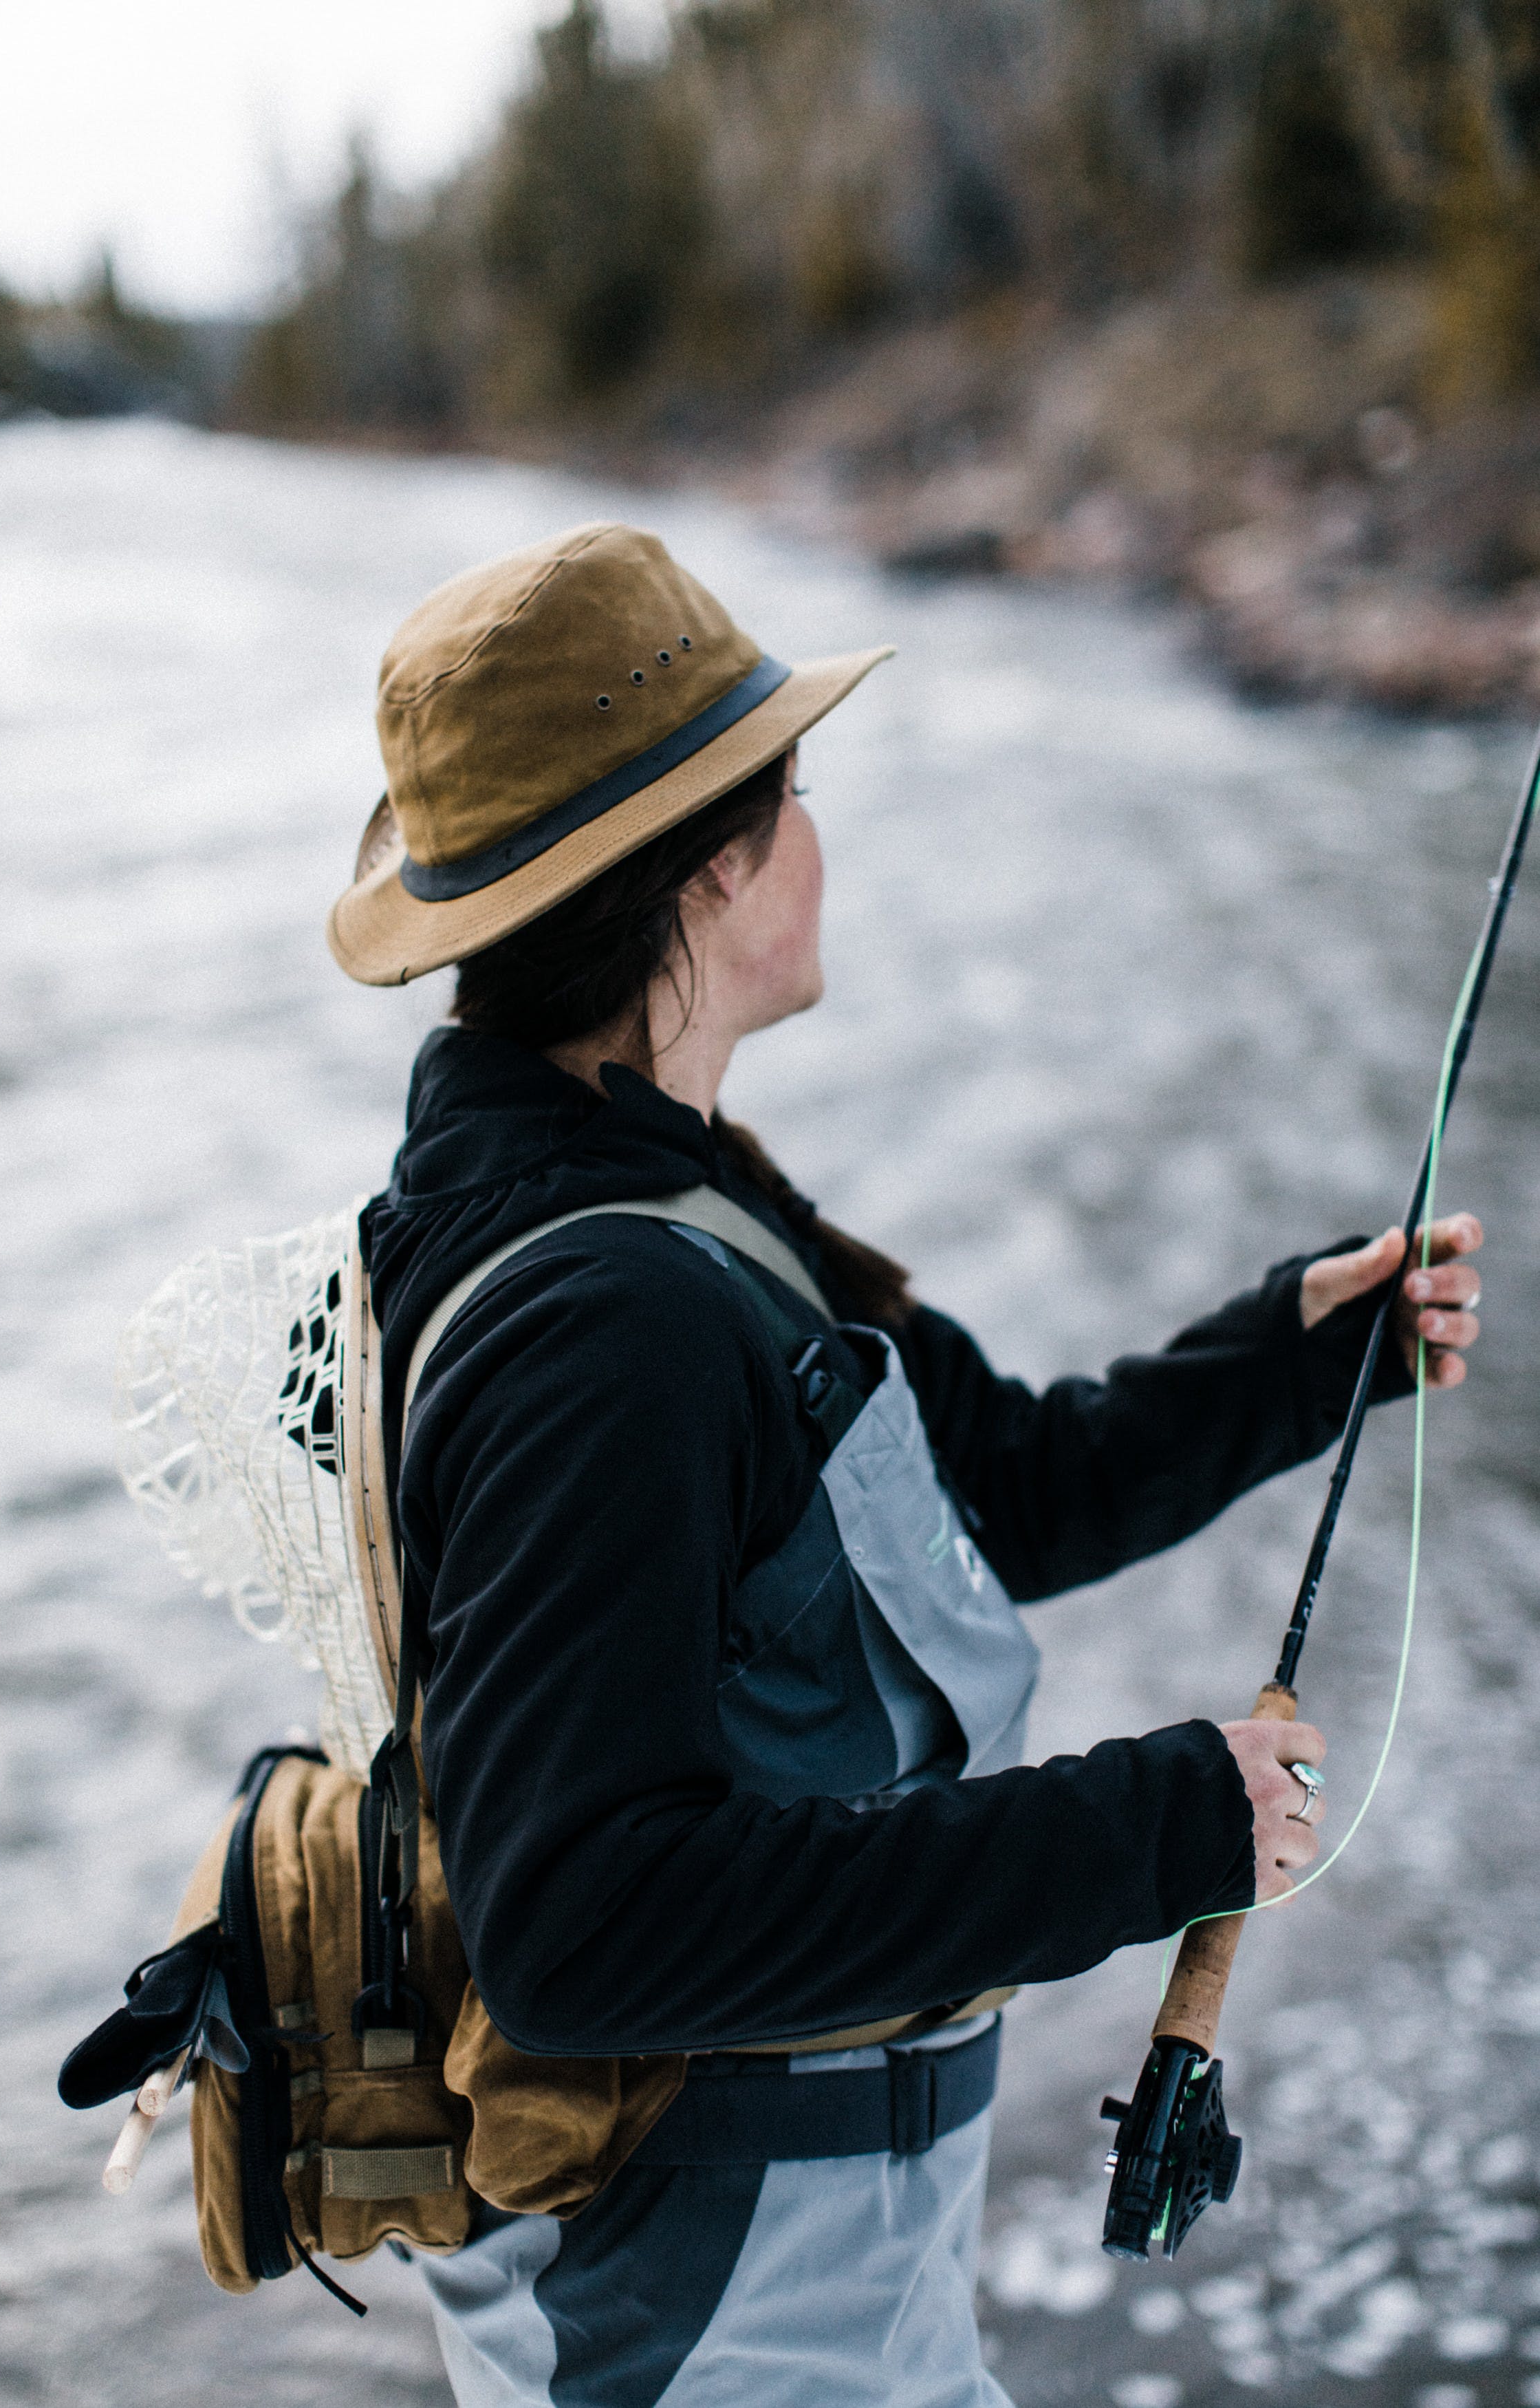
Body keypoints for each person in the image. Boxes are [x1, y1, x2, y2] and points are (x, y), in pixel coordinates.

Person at [325, 522, 1484, 2407]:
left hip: (777, 2294)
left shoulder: (642, 1180)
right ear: (710, 860)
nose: (814, 834)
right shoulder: (605, 1318)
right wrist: (1149, 1827)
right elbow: (578, 1925)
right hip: (716, 2330)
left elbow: (992, 1489)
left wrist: (1310, 1358)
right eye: (793, 793)